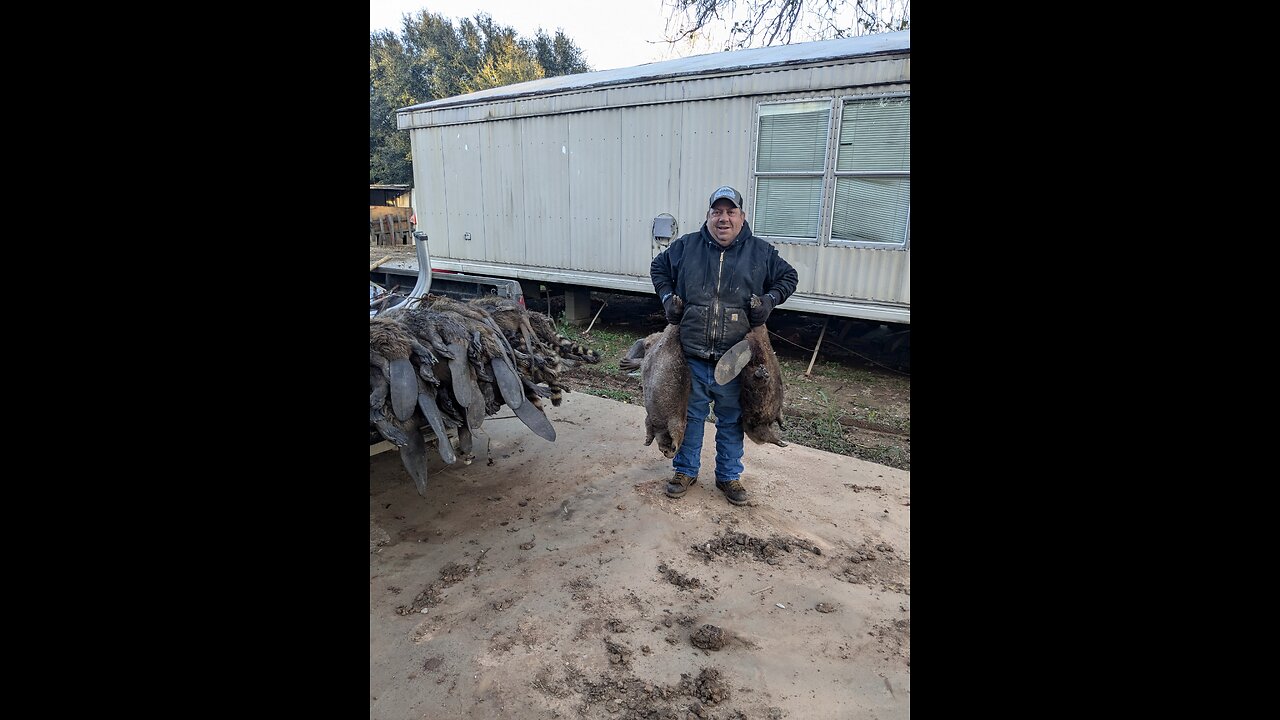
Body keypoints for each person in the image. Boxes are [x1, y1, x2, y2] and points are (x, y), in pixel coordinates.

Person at [650, 185, 798, 505]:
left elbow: (789, 277)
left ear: (742, 218)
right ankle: (685, 470)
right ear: (708, 216)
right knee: (690, 417)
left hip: (735, 361)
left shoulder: (760, 253)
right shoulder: (686, 247)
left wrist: (770, 301)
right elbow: (658, 269)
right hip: (692, 357)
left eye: (731, 212)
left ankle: (729, 477)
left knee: (731, 421)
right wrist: (666, 299)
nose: (724, 218)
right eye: (717, 212)